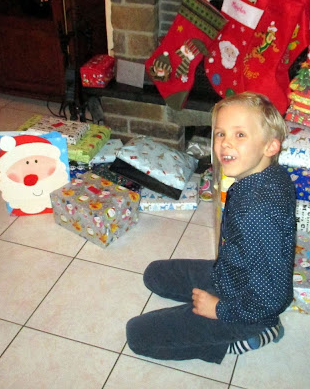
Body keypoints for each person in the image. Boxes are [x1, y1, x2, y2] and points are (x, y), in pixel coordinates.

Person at [126, 92, 297, 364]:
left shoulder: (258, 212)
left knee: (136, 335)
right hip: (231, 274)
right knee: (154, 275)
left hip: (247, 311)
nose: (226, 143)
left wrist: (219, 309)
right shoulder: (266, 175)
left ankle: (254, 334)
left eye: (240, 135)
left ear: (270, 146)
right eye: (220, 134)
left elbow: (271, 297)